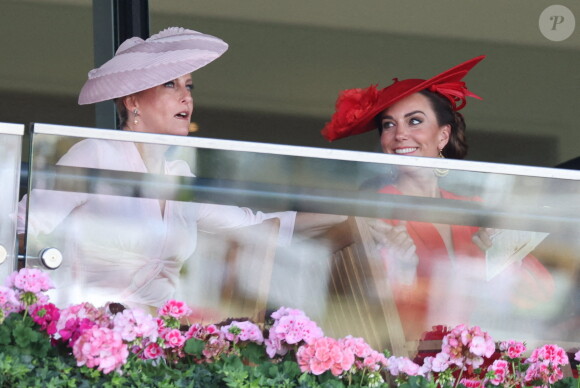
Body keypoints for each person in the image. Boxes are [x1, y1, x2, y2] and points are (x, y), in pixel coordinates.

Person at [17, 27, 296, 312]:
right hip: (84, 335)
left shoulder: (179, 175)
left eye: (189, 86)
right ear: (133, 101)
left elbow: (253, 225)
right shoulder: (96, 155)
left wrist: (339, 221)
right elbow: (21, 227)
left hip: (157, 342)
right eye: (170, 85)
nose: (186, 97)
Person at [320, 56, 554, 340]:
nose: (400, 134)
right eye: (389, 125)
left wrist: (505, 256)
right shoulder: (375, 208)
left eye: (414, 121)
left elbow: (542, 299)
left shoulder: (474, 211)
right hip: (400, 360)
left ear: (443, 135)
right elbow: (350, 299)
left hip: (480, 364)